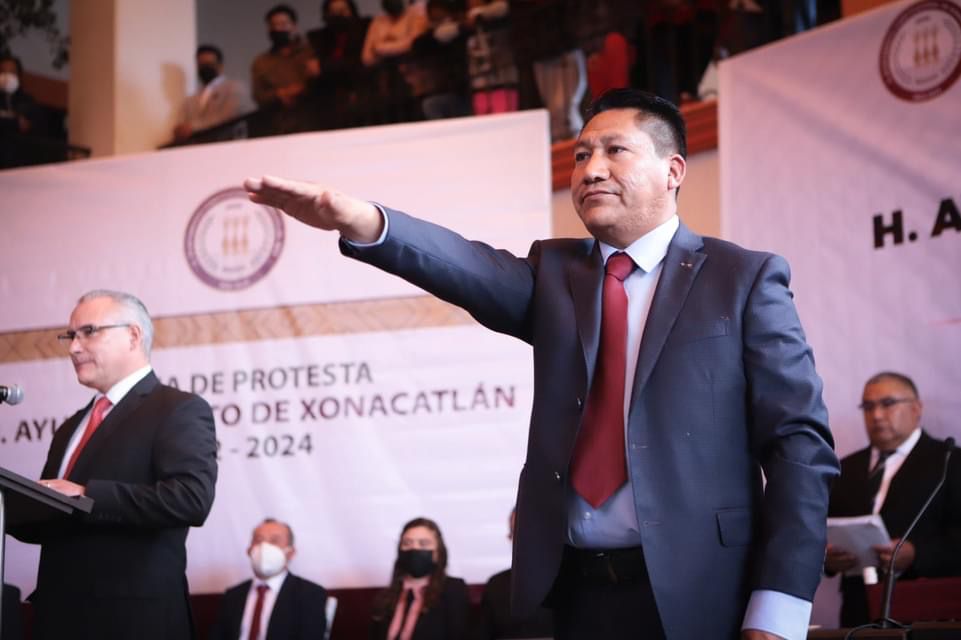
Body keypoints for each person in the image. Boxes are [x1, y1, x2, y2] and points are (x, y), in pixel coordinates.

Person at [244, 87, 839, 639]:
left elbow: (799, 447)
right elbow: (465, 266)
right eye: (581, 155)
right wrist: (363, 220)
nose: (591, 169)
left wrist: (779, 604)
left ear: (673, 170)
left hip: (706, 596)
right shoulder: (556, 275)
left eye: (615, 151)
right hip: (576, 595)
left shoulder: (742, 279)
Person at [16, 289, 218, 639]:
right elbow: (52, 518)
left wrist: (86, 495)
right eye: (71, 335)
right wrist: (10, 507)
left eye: (88, 332)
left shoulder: (177, 409)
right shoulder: (71, 427)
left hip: (133, 621)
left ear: (133, 336)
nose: (73, 348)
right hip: (58, 620)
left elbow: (190, 498)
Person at [825, 372, 961, 627]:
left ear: (916, 408)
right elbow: (821, 531)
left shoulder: (950, 462)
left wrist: (917, 554)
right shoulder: (843, 469)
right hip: (858, 615)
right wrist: (828, 559)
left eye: (887, 404)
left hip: (927, 613)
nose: (876, 415)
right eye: (868, 407)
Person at [208, 518, 328, 640]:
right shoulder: (232, 596)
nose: (264, 547)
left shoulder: (310, 594)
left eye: (274, 541)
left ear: (291, 553)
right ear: (249, 550)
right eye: (258, 540)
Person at [369, 517, 469, 640]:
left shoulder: (454, 589)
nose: (414, 549)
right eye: (407, 543)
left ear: (438, 553)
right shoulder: (385, 597)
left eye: (423, 544)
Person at [476, 509, 553, 640]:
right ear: (510, 538)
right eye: (519, 532)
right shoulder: (496, 585)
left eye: (534, 530)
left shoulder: (569, 580)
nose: (527, 538)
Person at [251, 4, 321, 133]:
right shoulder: (261, 62)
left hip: (315, 118)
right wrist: (280, 94)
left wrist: (301, 88)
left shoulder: (311, 51)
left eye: (283, 24)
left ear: (294, 26)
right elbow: (259, 95)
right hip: (280, 124)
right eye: (273, 25)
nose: (278, 29)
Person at [174, 45, 252, 142]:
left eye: (209, 64)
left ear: (220, 65)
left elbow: (229, 116)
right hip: (197, 147)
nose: (205, 69)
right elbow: (183, 124)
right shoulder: (191, 100)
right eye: (201, 65)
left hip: (226, 144)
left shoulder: (235, 88)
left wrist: (193, 127)